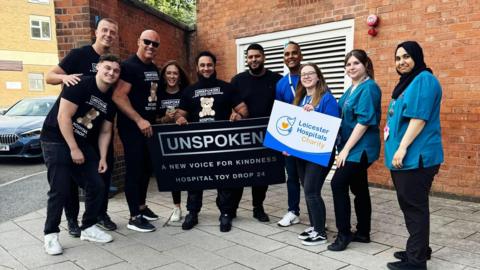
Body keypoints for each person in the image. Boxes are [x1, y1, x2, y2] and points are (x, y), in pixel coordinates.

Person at [45, 18, 119, 236]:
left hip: (91, 132)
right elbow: (49, 77)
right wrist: (65, 77)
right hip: (64, 128)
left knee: (97, 178)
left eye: (112, 32)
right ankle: (70, 221)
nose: (108, 34)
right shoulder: (79, 55)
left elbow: (107, 129)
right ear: (95, 31)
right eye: (104, 30)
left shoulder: (113, 64)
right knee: (63, 183)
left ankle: (95, 218)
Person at [385, 41, 443, 270]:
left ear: (417, 57)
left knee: (414, 207)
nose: (401, 61)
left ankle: (417, 261)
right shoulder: (408, 83)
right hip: (406, 158)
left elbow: (419, 118)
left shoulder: (423, 80)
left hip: (415, 158)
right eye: (398, 58)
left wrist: (402, 148)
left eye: (407, 56)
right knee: (414, 206)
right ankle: (419, 248)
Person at [175, 51, 249, 232]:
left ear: (214, 66)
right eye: (202, 65)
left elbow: (244, 109)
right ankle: (192, 213)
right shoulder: (189, 91)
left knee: (224, 179)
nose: (206, 68)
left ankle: (225, 214)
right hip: (197, 145)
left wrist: (238, 115)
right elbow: (180, 114)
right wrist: (179, 119)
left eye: (209, 65)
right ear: (197, 68)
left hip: (222, 144)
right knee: (195, 180)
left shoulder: (227, 88)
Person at [327, 49, 381, 251]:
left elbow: (364, 122)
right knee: (359, 188)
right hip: (351, 147)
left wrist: (345, 151)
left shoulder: (369, 88)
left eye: (355, 63)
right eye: (348, 64)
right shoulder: (351, 89)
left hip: (360, 148)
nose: (351, 67)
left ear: (365, 65)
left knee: (337, 184)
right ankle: (363, 232)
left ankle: (344, 234)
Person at [112, 30, 161, 233]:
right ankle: (134, 217)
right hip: (133, 127)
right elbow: (118, 96)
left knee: (146, 169)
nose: (150, 46)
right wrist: (139, 119)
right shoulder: (129, 66)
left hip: (148, 127)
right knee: (134, 171)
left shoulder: (154, 69)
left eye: (155, 44)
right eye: (147, 42)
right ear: (139, 41)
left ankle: (141, 206)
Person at [230, 43, 282, 222]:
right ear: (247, 59)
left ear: (263, 57)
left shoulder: (276, 80)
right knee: (240, 173)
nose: (254, 60)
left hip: (267, 134)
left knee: (262, 174)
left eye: (257, 56)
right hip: (243, 136)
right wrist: (234, 113)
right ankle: (232, 208)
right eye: (250, 57)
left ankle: (257, 208)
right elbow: (231, 105)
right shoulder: (237, 80)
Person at [290, 63, 338, 245]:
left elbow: (333, 127)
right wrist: (288, 145)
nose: (307, 76)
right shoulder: (300, 99)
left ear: (318, 76)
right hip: (302, 153)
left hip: (320, 154)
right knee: (308, 189)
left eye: (311, 73)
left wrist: (315, 116)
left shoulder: (326, 99)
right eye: (303, 74)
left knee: (311, 190)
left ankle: (320, 233)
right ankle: (315, 225)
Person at [157, 60, 190, 222]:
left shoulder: (186, 92)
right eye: (168, 73)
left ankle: (192, 207)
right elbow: (154, 119)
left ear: (180, 76)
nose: (172, 76)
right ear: (164, 76)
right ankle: (177, 207)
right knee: (174, 174)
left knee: (190, 172)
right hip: (167, 141)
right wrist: (165, 119)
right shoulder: (158, 94)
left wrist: (183, 118)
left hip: (186, 139)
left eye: (175, 73)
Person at [275, 41, 304, 227]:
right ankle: (293, 211)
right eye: (287, 54)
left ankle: (317, 217)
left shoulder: (310, 75)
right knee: (292, 177)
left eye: (294, 53)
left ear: (300, 55)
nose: (290, 57)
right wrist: (283, 143)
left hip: (309, 137)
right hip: (291, 138)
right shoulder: (281, 83)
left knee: (310, 181)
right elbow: (280, 114)